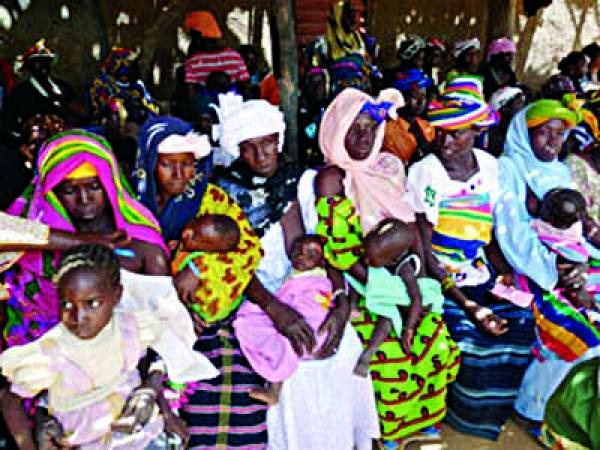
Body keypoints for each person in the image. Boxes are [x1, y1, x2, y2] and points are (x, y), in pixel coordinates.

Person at [214, 95, 380, 449]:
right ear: (237, 150)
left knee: (343, 346)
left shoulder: (305, 182)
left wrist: (339, 301)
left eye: (269, 143)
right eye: (250, 147)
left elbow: (331, 250)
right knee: (289, 359)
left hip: (311, 288)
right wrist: (276, 310)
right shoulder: (225, 193)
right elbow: (230, 266)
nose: (262, 156)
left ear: (280, 140)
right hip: (256, 294)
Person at [317, 87, 458, 447]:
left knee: (435, 338)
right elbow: (341, 251)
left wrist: (423, 275)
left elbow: (411, 226)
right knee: (388, 352)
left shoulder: (389, 165)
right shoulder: (333, 178)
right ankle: (390, 428)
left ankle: (421, 419)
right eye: (354, 128)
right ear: (335, 128)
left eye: (369, 128)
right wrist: (387, 290)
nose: (364, 137)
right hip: (362, 279)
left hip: (403, 266)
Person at [407, 79, 536, 440]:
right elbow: (424, 248)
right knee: (469, 333)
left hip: (478, 270)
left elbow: (490, 232)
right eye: (442, 133)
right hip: (440, 276)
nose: (446, 142)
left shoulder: (491, 168)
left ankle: (494, 413)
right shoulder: (426, 173)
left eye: (457, 135)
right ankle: (465, 416)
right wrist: (467, 305)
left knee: (521, 321)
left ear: (477, 132)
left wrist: (504, 274)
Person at [0, 244, 218, 449]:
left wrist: (164, 409)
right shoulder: (52, 351)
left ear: (117, 296)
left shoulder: (130, 326)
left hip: (141, 434)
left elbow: (153, 355)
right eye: (67, 304)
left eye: (92, 304)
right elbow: (10, 399)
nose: (79, 317)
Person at [136, 115, 268, 449]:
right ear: (150, 164)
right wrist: (171, 304)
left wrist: (199, 267)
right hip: (146, 322)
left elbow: (249, 249)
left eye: (187, 165)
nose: (180, 175)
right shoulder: (132, 205)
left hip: (210, 318)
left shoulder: (209, 199)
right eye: (168, 165)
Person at [492, 99, 592, 428]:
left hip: (570, 265)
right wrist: (557, 270)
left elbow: (578, 228)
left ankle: (583, 413)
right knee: (585, 336)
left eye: (560, 134)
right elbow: (512, 233)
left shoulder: (561, 171)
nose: (553, 141)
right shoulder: (509, 168)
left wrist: (578, 262)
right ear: (524, 132)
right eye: (543, 133)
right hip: (530, 271)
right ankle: (537, 407)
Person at [233, 235, 336, 405]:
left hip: (314, 325)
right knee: (280, 342)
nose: (302, 256)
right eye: (297, 253)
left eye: (311, 253)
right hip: (294, 321)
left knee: (281, 344)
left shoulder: (317, 278)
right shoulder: (294, 274)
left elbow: (320, 295)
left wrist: (343, 305)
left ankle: (275, 388)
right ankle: (275, 390)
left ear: (323, 261)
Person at [1, 39, 79, 148]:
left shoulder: (63, 87)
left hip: (68, 142)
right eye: (38, 62)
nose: (43, 65)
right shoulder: (20, 93)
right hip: (37, 148)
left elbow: (78, 113)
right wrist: (21, 145)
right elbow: (8, 127)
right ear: (29, 66)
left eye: (46, 61)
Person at [89, 47, 159, 125]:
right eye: (128, 65)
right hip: (113, 125)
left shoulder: (138, 85)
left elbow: (149, 103)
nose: (131, 69)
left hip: (140, 123)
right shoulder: (103, 83)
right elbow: (103, 106)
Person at [383, 69, 435, 164]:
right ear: (402, 98)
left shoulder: (427, 126)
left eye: (423, 96)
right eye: (415, 96)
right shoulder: (388, 131)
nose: (421, 101)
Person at [487, 86, 526, 156]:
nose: (523, 108)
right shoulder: (495, 138)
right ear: (505, 109)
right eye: (519, 103)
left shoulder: (522, 130)